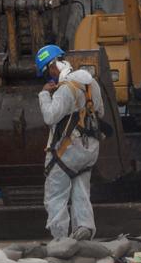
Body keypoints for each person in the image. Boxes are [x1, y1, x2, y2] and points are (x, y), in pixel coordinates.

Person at [36, 43, 105, 241]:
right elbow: (100, 112)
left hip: (68, 150)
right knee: (81, 189)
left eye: (48, 74)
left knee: (55, 193)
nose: (50, 79)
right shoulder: (92, 84)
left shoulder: (65, 90)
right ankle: (84, 228)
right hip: (90, 148)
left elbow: (50, 117)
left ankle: (59, 238)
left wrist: (44, 94)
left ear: (52, 67)